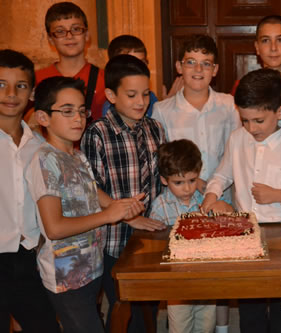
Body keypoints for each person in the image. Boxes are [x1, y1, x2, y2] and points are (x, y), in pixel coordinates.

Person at [202, 68, 281, 333]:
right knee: (250, 306)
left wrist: (280, 195)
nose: (251, 128)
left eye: (258, 120)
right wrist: (212, 194)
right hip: (246, 231)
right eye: (244, 120)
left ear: (280, 113)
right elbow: (223, 173)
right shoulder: (237, 139)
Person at [27, 76, 145, 333]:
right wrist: (108, 216)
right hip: (67, 276)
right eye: (67, 111)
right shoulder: (45, 160)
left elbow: (92, 191)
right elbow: (54, 228)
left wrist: (122, 208)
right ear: (43, 118)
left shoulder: (76, 154)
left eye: (81, 111)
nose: (78, 118)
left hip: (91, 266)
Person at [81, 54, 167, 332]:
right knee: (122, 312)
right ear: (111, 95)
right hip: (115, 240)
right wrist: (127, 217)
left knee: (149, 312)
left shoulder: (156, 128)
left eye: (145, 94)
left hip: (152, 235)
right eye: (131, 95)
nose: (141, 102)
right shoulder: (97, 133)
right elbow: (90, 187)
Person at [0, 49, 60, 333]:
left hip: (26, 259)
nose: (11, 93)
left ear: (32, 92)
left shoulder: (39, 145)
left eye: (20, 85)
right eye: (1, 84)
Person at [150, 139, 231, 333]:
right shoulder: (159, 207)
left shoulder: (204, 200)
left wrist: (224, 209)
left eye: (192, 180)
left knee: (206, 325)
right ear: (164, 180)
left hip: (206, 277)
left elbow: (223, 233)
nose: (187, 188)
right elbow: (157, 249)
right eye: (178, 182)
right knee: (180, 327)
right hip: (177, 283)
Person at [153, 34, 240, 202]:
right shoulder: (162, 110)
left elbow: (234, 154)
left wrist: (214, 188)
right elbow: (161, 159)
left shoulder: (229, 105)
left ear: (215, 70)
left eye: (206, 64)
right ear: (179, 67)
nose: (198, 70)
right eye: (191, 62)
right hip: (179, 200)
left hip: (222, 198)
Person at [36, 2, 106, 122]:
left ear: (87, 35)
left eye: (76, 29)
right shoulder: (37, 79)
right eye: (60, 31)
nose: (69, 36)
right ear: (51, 39)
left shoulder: (105, 78)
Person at [102, 34, 183, 118]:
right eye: (131, 95)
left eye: (142, 63)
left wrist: (166, 104)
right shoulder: (111, 107)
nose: (137, 68)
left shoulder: (150, 97)